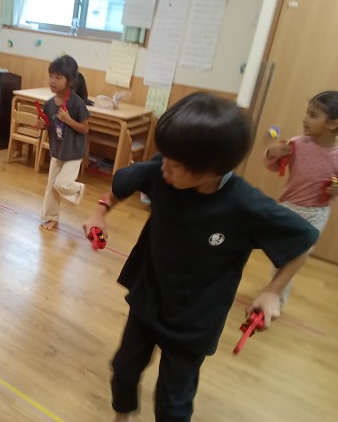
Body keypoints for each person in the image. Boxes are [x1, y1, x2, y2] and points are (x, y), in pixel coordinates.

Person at [82, 93, 319, 422]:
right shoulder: (165, 168)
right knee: (123, 368)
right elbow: (125, 184)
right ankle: (122, 416)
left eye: (174, 165)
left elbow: (303, 242)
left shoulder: (246, 205)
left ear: (212, 170)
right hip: (150, 297)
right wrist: (100, 211)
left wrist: (272, 292)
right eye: (165, 157)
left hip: (195, 319)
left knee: (173, 402)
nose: (163, 167)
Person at [264, 90, 338, 305]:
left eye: (313, 115)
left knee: (297, 255)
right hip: (289, 207)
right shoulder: (296, 144)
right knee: (281, 255)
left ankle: (277, 296)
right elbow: (273, 166)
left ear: (333, 124)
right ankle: (275, 289)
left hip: (317, 212)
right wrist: (273, 153)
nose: (304, 119)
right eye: (307, 113)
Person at [37, 55, 90, 230]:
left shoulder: (77, 103)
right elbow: (48, 124)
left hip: (73, 152)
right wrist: (42, 125)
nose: (52, 80)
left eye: (58, 77)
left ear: (70, 81)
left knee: (61, 184)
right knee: (51, 187)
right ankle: (51, 217)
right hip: (57, 150)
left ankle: (78, 189)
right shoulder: (50, 104)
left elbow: (85, 128)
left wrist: (68, 120)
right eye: (51, 76)